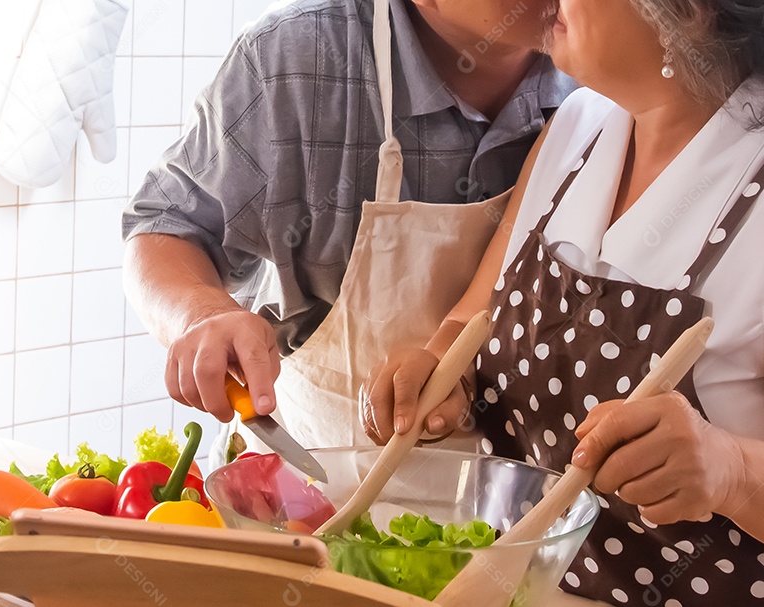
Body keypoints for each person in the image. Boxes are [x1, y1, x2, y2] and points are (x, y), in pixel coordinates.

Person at [365, 0, 764, 603]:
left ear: (689, 12)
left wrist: (732, 471)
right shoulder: (577, 124)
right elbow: (473, 317)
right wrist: (443, 371)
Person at [122, 0, 576, 452]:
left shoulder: (604, 84)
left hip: (526, 504)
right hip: (307, 488)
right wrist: (203, 314)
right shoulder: (296, 59)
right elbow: (168, 224)